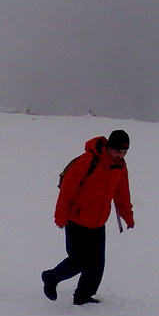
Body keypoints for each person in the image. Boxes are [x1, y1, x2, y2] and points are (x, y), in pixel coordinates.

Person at [42, 130, 134, 305]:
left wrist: (127, 216)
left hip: (98, 222)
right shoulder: (88, 161)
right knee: (79, 261)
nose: (120, 156)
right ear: (108, 147)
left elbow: (122, 193)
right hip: (76, 219)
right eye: (117, 151)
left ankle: (83, 296)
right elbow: (67, 190)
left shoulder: (119, 166)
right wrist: (60, 217)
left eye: (124, 153)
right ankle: (51, 278)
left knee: (97, 264)